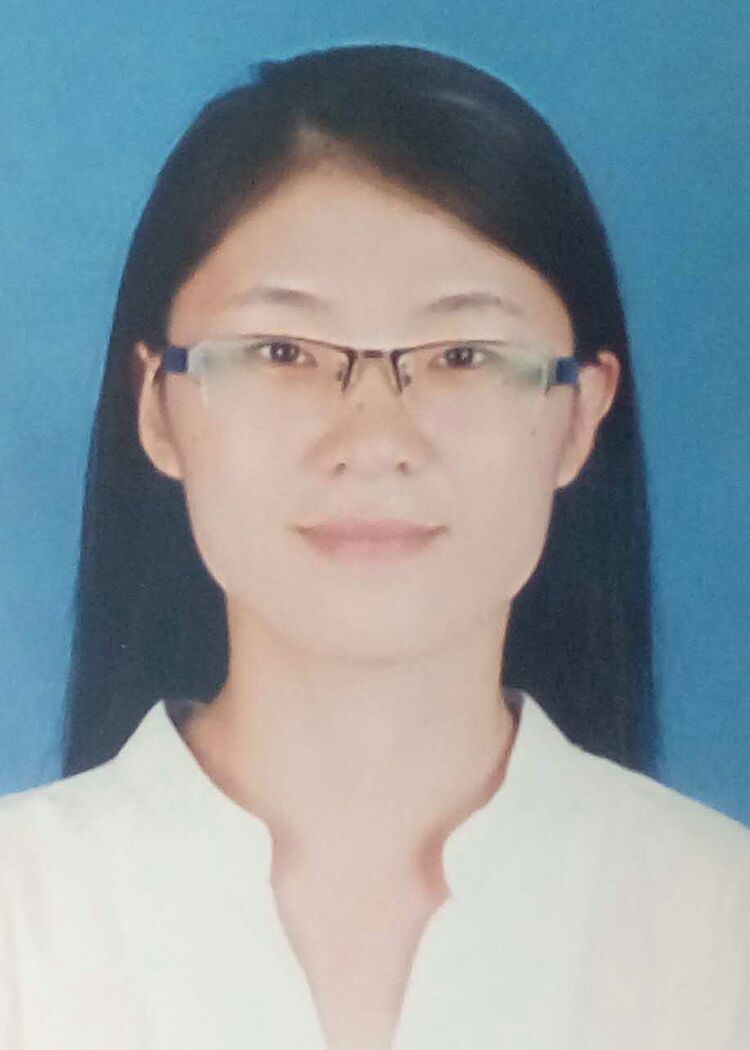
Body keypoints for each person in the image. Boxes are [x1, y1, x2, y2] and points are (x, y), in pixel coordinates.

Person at [0, 42, 748, 1050]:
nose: (375, 440)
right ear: (159, 409)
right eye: (282, 351)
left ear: (580, 418)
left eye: (463, 355)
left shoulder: (720, 923)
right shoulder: (24, 912)